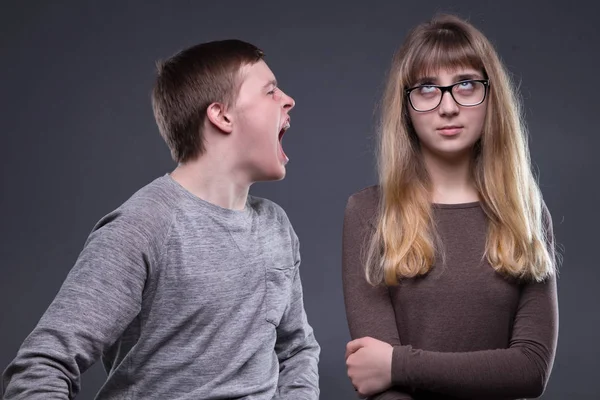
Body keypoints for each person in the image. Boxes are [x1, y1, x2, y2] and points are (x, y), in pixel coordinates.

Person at [2, 39, 320, 399]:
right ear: (222, 115)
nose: (288, 99)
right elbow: (41, 366)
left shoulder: (275, 226)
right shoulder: (143, 226)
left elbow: (297, 350)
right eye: (270, 91)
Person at [342, 14, 558, 400]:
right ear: (405, 106)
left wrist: (399, 364)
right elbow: (374, 378)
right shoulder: (368, 213)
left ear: (491, 95)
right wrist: (387, 368)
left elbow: (530, 370)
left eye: (466, 84)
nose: (448, 106)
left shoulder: (525, 213)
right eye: (427, 88)